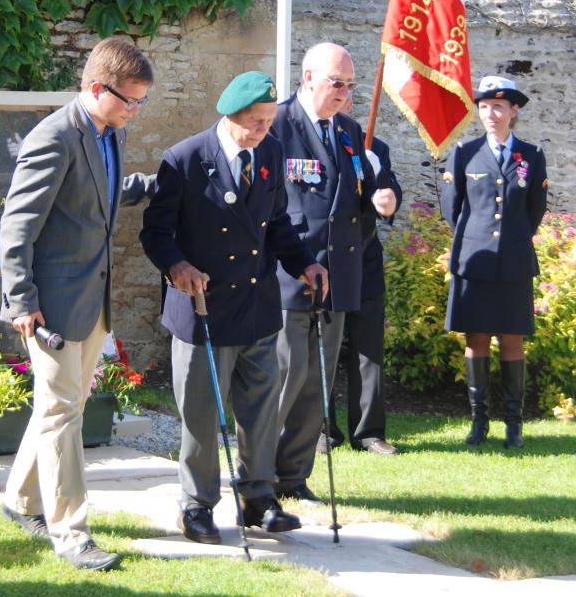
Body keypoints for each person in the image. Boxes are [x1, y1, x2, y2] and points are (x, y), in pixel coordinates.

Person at [140, 71, 329, 544]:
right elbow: (156, 232)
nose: (264, 130)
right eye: (256, 122)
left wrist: (306, 264)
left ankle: (258, 498)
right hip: (203, 308)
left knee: (261, 408)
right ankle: (197, 505)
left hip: (257, 305)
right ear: (231, 116)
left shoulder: (269, 153)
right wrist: (177, 266)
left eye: (268, 121)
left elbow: (278, 224)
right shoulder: (184, 160)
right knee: (203, 415)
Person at [0, 37, 155, 570]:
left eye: (141, 102)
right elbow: (17, 225)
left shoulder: (108, 132)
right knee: (63, 413)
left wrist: (158, 184)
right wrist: (21, 299)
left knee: (62, 407)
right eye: (130, 100)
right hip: (53, 305)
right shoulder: (54, 137)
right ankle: (71, 533)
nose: (135, 111)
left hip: (92, 299)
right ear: (95, 88)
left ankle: (21, 501)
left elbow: (104, 191)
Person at [270, 43, 398, 502]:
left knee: (313, 386)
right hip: (290, 275)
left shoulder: (348, 131)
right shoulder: (277, 124)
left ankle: (293, 476)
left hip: (336, 275)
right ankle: (258, 476)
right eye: (335, 83)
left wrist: (379, 200)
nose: (344, 93)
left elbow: (353, 196)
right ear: (307, 77)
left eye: (350, 85)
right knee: (285, 379)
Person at [440, 74, 548, 449]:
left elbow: (535, 209)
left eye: (498, 106)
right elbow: (452, 208)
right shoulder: (465, 153)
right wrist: (478, 237)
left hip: (515, 261)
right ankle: (479, 421)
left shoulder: (531, 156)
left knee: (513, 339)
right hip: (475, 260)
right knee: (477, 338)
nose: (490, 113)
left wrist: (512, 239)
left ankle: (514, 425)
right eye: (484, 107)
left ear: (513, 110)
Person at [327, 133, 403, 455]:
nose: (343, 98)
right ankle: (320, 429)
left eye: (347, 91)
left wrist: (386, 193)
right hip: (326, 258)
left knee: (369, 345)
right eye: (336, 87)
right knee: (323, 346)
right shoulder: (312, 140)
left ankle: (369, 432)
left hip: (365, 253)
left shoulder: (373, 145)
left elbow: (390, 190)